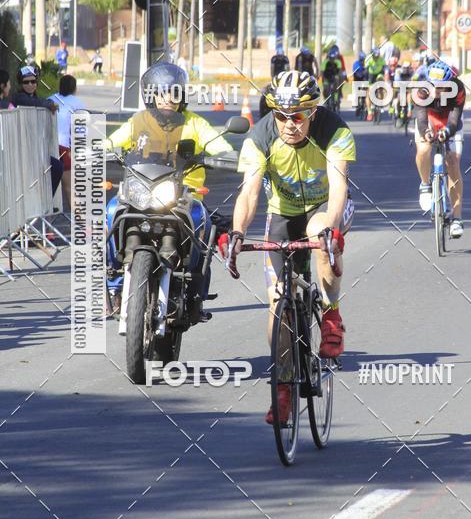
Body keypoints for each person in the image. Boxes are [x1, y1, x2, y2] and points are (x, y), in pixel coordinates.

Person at [221, 69, 356, 425]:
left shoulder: (334, 131)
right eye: (281, 116)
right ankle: (282, 388)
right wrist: (237, 233)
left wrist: (331, 228)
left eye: (297, 116)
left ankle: (331, 314)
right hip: (282, 212)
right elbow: (249, 193)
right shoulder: (260, 137)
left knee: (318, 233)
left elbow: (339, 187)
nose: (289, 124)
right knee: (277, 301)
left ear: (312, 112)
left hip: (325, 207)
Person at [105, 61, 235, 324]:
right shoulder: (137, 122)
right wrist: (98, 150)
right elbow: (111, 142)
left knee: (203, 223)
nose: (167, 99)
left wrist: (224, 156)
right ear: (151, 95)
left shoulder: (195, 123)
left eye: (173, 93)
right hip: (140, 191)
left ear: (182, 96)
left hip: (185, 195)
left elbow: (223, 148)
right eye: (161, 93)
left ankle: (196, 294)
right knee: (111, 211)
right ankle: (114, 284)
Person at [415, 59, 466, 238]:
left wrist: (447, 132)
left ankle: (457, 218)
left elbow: (454, 120)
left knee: (453, 162)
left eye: (441, 87)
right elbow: (421, 118)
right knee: (423, 150)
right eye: (433, 86)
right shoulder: (422, 90)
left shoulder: (458, 88)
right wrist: (426, 132)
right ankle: (425, 184)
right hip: (429, 119)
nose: (436, 91)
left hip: (450, 121)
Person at [13, 65, 63, 197]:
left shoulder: (36, 98)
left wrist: (49, 102)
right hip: (20, 149)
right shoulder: (19, 97)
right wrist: (49, 104)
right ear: (20, 84)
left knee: (57, 166)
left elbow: (40, 101)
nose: (30, 85)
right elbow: (31, 102)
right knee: (55, 167)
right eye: (26, 82)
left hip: (35, 147)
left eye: (33, 81)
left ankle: (47, 201)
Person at [49, 75, 86, 212]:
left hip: (47, 147)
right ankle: (79, 220)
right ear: (74, 88)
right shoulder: (78, 103)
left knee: (48, 189)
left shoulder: (50, 99)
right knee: (70, 188)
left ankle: (47, 223)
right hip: (65, 148)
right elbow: (81, 130)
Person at [365, 47, 386, 120]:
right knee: (368, 93)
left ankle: (381, 102)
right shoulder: (368, 59)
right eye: (375, 56)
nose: (376, 58)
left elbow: (385, 69)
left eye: (377, 56)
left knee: (381, 85)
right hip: (371, 75)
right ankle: (369, 112)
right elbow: (365, 71)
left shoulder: (382, 59)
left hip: (379, 73)